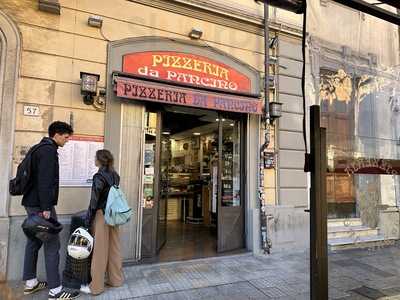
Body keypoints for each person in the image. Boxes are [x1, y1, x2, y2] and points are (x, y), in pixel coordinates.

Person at [22, 121, 80, 299]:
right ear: (56, 134)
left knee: (34, 241)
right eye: (66, 136)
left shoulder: (38, 148)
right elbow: (45, 182)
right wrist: (46, 208)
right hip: (41, 206)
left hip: (31, 203)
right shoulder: (48, 151)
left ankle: (31, 282)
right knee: (52, 243)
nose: (67, 140)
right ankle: (56, 289)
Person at [80, 150, 124, 295]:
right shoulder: (115, 175)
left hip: (101, 215)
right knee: (114, 248)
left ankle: (96, 287)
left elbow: (94, 200)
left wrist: (88, 219)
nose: (94, 159)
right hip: (114, 215)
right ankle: (116, 280)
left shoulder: (99, 176)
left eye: (95, 158)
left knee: (100, 250)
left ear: (99, 160)